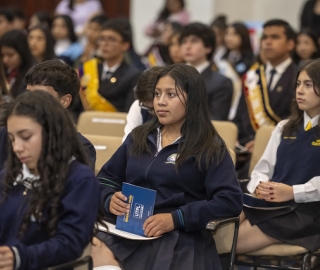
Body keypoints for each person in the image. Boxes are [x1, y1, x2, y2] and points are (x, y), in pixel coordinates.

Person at [91, 64, 243, 270]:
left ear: (193, 99)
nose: (160, 102)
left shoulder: (209, 146)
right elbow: (106, 178)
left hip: (177, 235)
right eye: (157, 94)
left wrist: (176, 218)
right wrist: (109, 199)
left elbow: (229, 201)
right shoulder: (140, 137)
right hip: (128, 229)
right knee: (92, 246)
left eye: (171, 94)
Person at [0, 90, 100, 269]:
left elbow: (69, 244)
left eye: (26, 137)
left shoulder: (79, 180)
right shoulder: (8, 176)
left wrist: (18, 257)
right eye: (12, 139)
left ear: (50, 132)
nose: (17, 147)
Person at [236, 59, 320, 254]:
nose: (300, 90)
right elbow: (262, 170)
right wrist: (260, 185)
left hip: (306, 211)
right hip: (273, 202)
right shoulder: (284, 127)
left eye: (308, 85)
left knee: (228, 241)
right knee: (218, 224)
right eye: (298, 84)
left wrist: (293, 192)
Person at [0, 59, 96, 172]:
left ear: (65, 101)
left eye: (40, 95)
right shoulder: (9, 134)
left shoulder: (81, 147)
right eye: (28, 94)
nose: (30, 101)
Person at [234, 19, 297, 171]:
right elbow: (239, 116)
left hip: (282, 153)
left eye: (275, 37)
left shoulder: (299, 77)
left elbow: (297, 121)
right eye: (265, 37)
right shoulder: (252, 76)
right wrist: (239, 142)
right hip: (244, 152)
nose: (268, 42)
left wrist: (262, 141)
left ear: (290, 44)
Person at [78, 18, 141, 113]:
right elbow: (76, 107)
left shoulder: (133, 75)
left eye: (111, 39)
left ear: (125, 45)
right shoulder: (89, 69)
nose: (105, 44)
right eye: (102, 39)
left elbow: (130, 113)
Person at [179, 22, 233, 120]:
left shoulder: (221, 83)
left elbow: (217, 121)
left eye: (194, 41)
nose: (187, 46)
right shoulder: (172, 77)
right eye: (184, 41)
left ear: (208, 47)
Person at [123, 66, 164, 142]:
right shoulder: (138, 106)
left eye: (156, 108)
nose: (153, 113)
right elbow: (128, 142)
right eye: (148, 108)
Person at [0, 29, 34, 98]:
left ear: (22, 53)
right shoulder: (6, 71)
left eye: (10, 55)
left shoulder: (33, 77)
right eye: (3, 55)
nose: (5, 60)